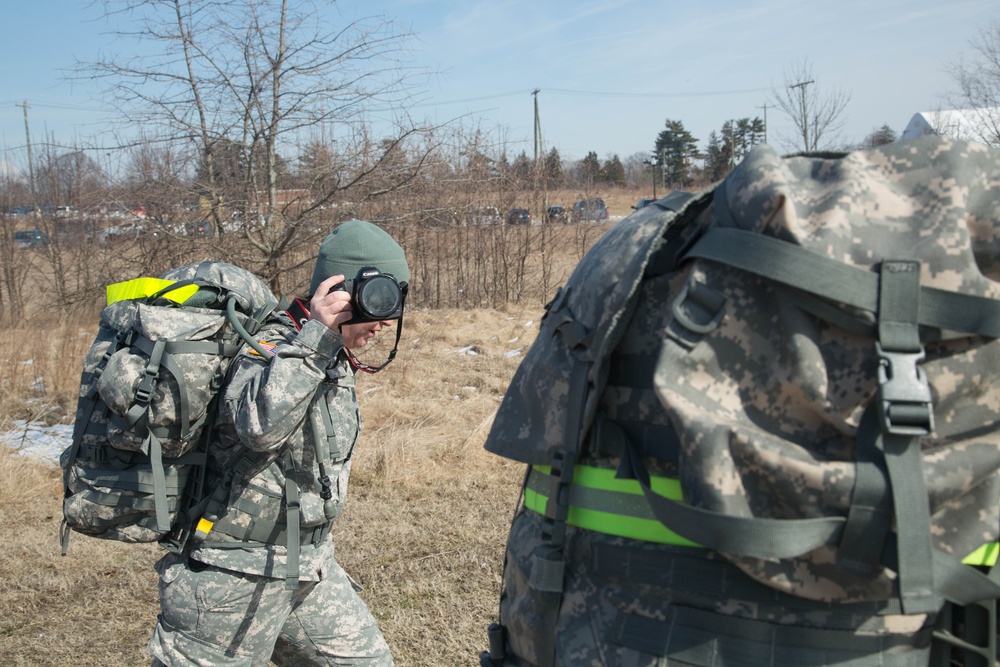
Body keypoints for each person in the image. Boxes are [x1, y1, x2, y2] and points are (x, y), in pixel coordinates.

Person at [147, 219, 409, 667]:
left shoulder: (328, 353)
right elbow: (259, 427)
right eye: (375, 301)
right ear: (339, 294)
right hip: (233, 574)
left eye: (394, 299)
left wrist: (323, 344)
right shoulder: (273, 343)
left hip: (306, 565)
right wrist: (317, 339)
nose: (384, 320)